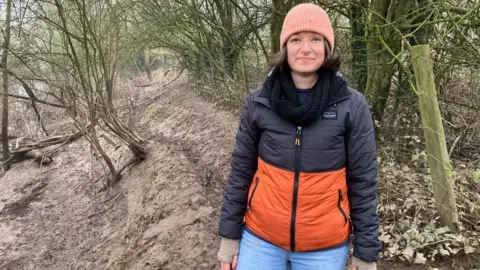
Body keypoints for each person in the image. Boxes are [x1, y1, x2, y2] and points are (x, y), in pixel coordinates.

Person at [217, 3, 381, 270]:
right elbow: (240, 172)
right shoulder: (258, 101)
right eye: (296, 39)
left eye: (315, 39)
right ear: (285, 47)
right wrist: (229, 237)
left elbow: (363, 182)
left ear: (327, 47)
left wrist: (366, 253)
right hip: (261, 240)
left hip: (324, 248)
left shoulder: (352, 105)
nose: (306, 48)